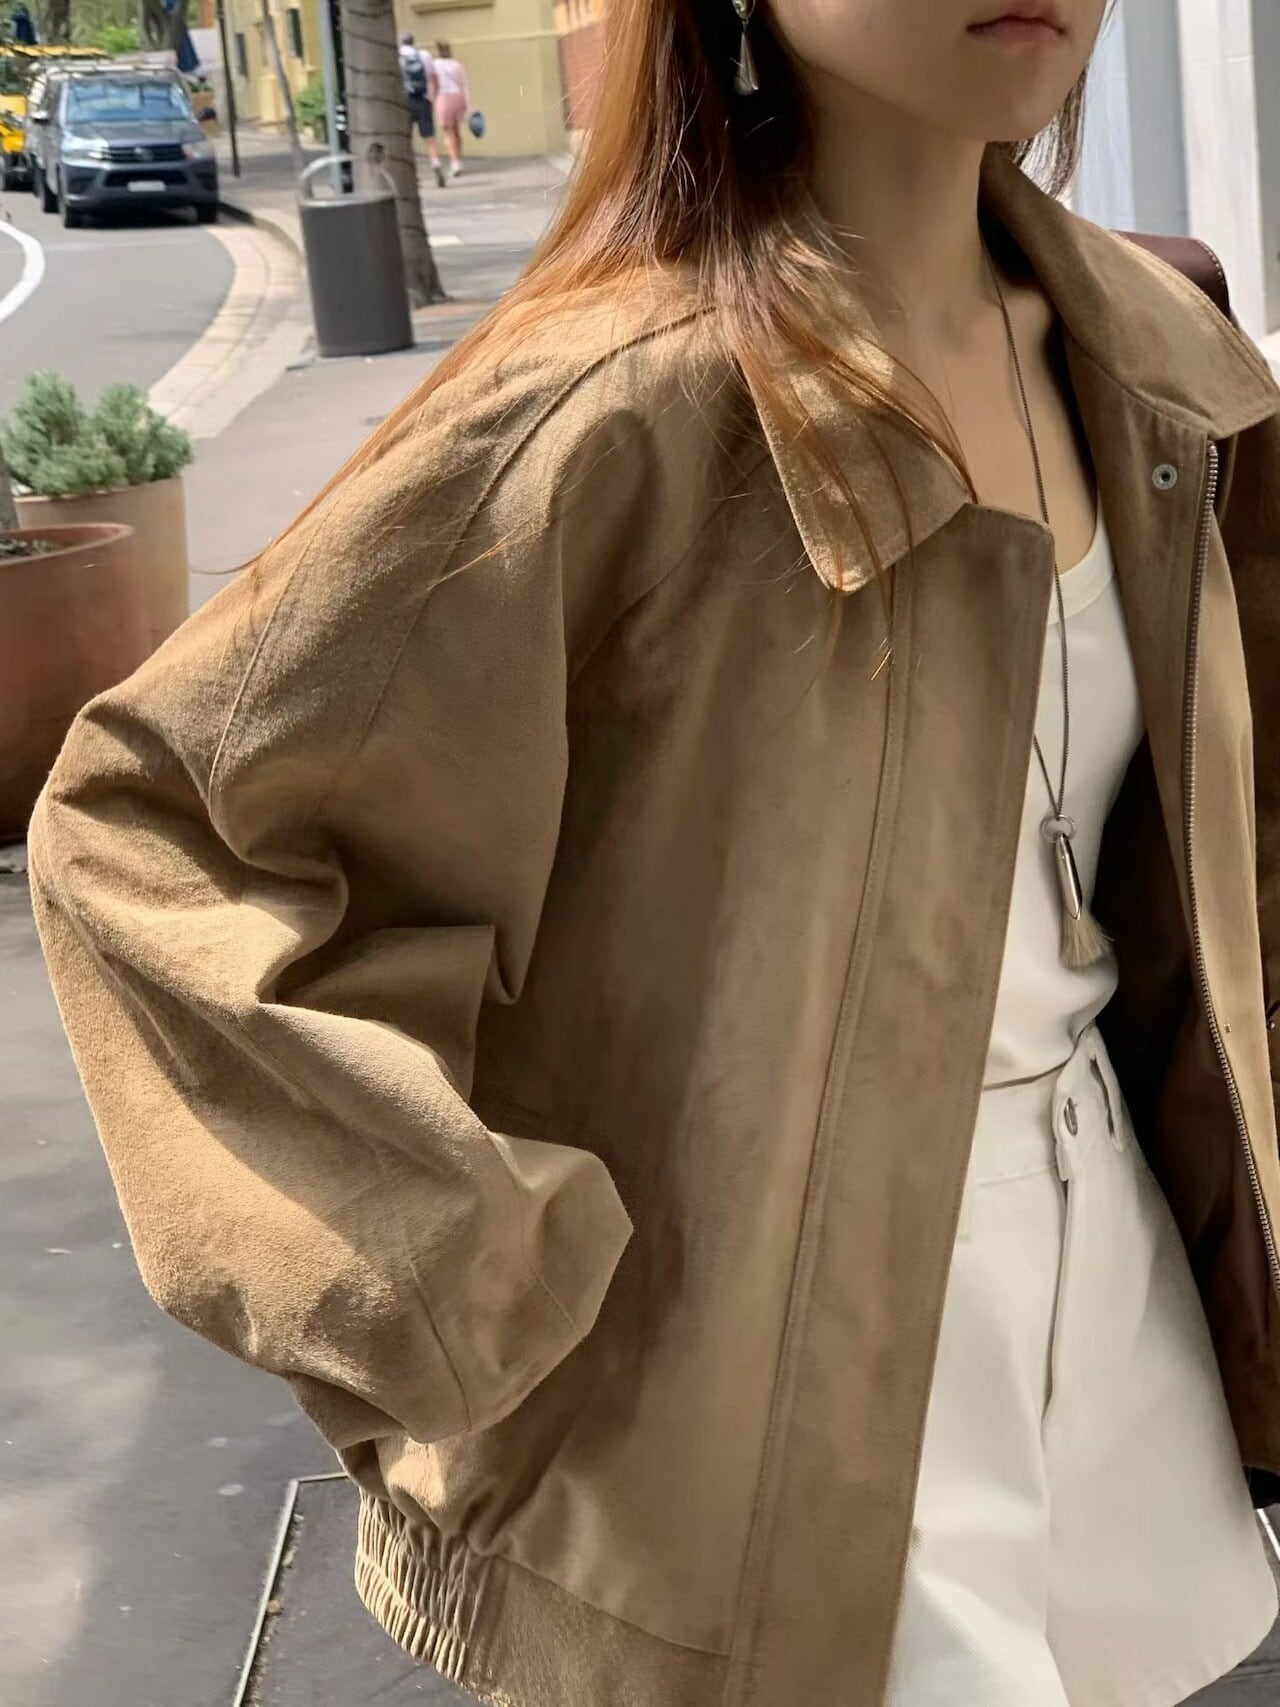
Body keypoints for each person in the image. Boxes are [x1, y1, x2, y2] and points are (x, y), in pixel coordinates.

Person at [27, 3, 1280, 1706]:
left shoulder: (1154, 370)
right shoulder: (624, 406)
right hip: (746, 1369)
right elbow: (148, 826)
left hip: (1110, 1278)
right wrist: (464, 1270)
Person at [398, 30, 444, 189]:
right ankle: (436, 164)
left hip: (405, 101)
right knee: (429, 137)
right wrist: (432, 98)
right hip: (423, 100)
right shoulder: (424, 55)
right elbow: (433, 78)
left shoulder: (398, 56)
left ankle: (413, 175)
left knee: (407, 139)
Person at [429, 39, 468, 178]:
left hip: (443, 98)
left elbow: (433, 85)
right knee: (457, 132)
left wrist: (432, 102)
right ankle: (458, 160)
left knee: (448, 132)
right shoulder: (457, 65)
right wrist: (467, 104)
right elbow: (463, 84)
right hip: (458, 97)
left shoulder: (435, 65)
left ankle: (455, 163)